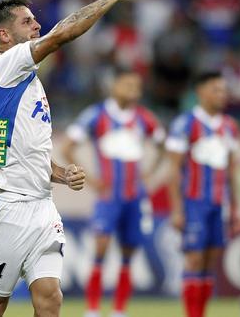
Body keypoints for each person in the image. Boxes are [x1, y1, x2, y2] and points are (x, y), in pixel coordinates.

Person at [0, 0, 138, 316]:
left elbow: (26, 150)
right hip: (8, 206)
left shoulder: (26, 81)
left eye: (36, 20)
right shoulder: (3, 67)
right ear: (4, 34)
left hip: (42, 207)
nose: (38, 26)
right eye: (28, 22)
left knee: (50, 298)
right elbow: (62, 35)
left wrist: (62, 173)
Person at [62, 68, 165, 317]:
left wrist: (150, 172)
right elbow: (68, 147)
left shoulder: (144, 118)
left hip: (135, 196)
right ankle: (93, 309)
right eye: (128, 85)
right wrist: (92, 179)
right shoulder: (96, 115)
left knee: (129, 252)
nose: (134, 91)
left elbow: (164, 145)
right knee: (101, 247)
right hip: (108, 197)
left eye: (137, 86)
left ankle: (119, 310)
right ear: (114, 86)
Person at [166, 72, 240, 317]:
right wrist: (177, 209)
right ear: (200, 92)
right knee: (194, 260)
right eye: (216, 90)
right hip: (194, 204)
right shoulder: (185, 124)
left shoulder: (229, 126)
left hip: (218, 204)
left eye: (223, 90)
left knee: (211, 261)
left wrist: (236, 207)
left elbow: (232, 170)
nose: (221, 95)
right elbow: (174, 171)